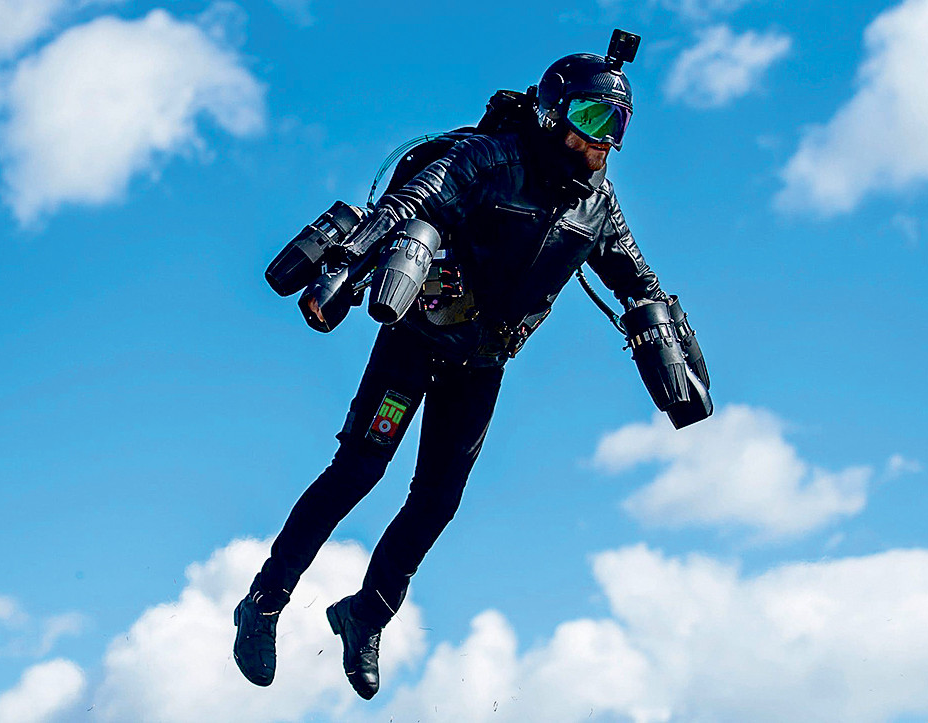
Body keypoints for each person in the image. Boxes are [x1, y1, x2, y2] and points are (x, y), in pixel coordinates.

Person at [234, 40, 683, 700]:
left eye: (619, 123)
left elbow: (637, 278)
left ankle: (365, 616)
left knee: (438, 501)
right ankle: (264, 602)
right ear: (553, 112)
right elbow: (414, 200)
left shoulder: (599, 205)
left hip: (481, 365)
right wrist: (356, 251)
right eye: (593, 118)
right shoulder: (487, 158)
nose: (606, 139)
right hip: (415, 342)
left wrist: (663, 330)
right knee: (358, 471)